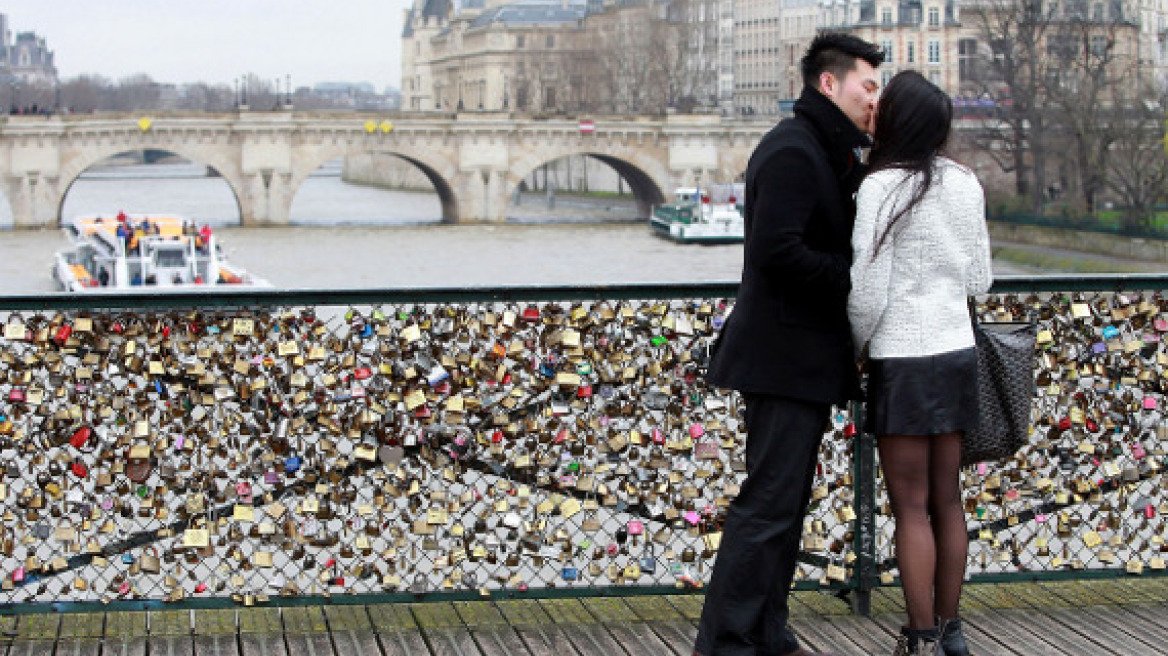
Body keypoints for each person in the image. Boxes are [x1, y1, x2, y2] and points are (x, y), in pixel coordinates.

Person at [694, 33, 883, 656]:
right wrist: (852, 276)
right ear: (829, 84)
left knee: (783, 505)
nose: (874, 99)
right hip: (783, 359)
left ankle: (766, 631)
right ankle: (726, 641)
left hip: (801, 359)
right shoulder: (793, 151)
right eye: (868, 86)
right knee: (767, 505)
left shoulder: (821, 150)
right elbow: (775, 251)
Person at [847, 70, 992, 656]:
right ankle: (952, 632)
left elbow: (868, 291)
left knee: (909, 507)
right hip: (956, 350)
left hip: (903, 357)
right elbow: (979, 278)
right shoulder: (964, 181)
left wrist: (856, 345)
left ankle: (921, 632)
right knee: (947, 499)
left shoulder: (880, 187)